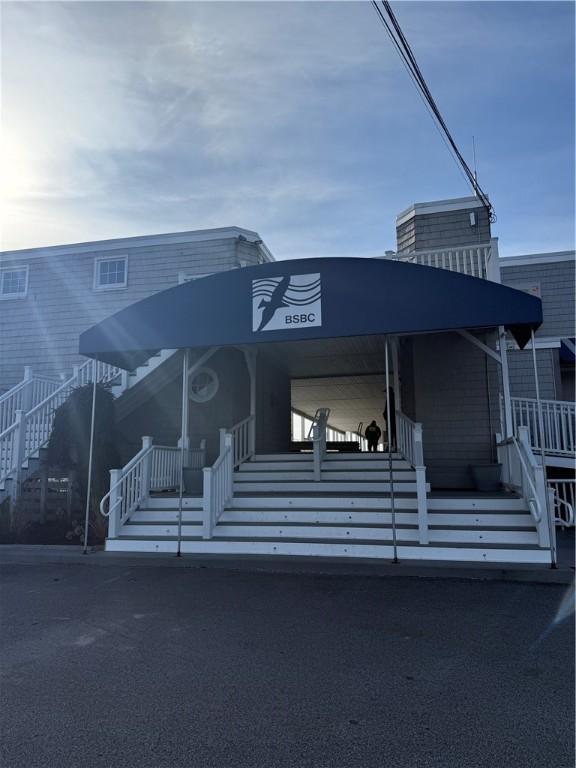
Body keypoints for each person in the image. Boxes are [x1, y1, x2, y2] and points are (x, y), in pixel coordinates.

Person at [382, 386, 396, 451]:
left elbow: (388, 408)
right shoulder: (391, 397)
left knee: (392, 432)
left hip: (391, 418)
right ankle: (391, 446)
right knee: (392, 432)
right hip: (390, 418)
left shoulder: (391, 398)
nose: (386, 394)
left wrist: (385, 415)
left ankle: (391, 446)